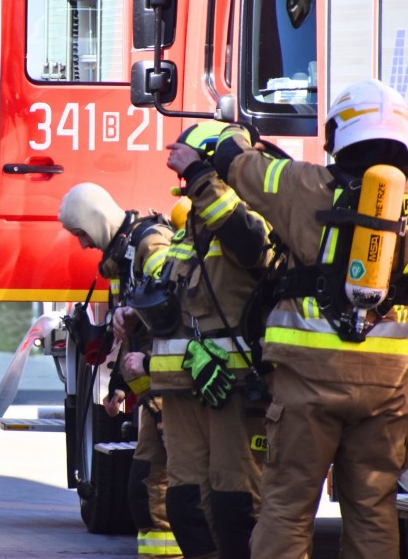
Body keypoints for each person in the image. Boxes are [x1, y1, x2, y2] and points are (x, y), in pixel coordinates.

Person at [209, 79, 408, 558]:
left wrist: (236, 132)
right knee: (373, 507)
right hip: (390, 383)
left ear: (338, 134)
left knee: (288, 505)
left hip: (308, 381)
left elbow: (231, 162)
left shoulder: (300, 184)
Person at [121, 121, 272, 559]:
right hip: (181, 388)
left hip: (233, 389)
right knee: (185, 504)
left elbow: (251, 246)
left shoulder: (251, 216)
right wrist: (139, 316)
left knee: (234, 504)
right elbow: (186, 299)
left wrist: (201, 176)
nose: (183, 183)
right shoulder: (190, 230)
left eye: (189, 171)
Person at [58, 182, 181, 559]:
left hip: (173, 386)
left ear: (95, 219)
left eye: (81, 233)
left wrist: (135, 312)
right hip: (153, 389)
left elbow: (175, 297)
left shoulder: (151, 244)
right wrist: (119, 387)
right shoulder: (124, 257)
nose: (83, 244)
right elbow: (128, 333)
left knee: (162, 487)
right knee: (145, 489)